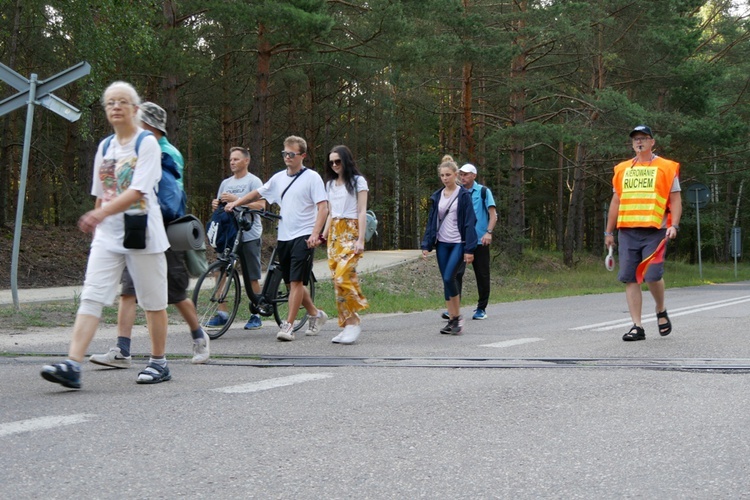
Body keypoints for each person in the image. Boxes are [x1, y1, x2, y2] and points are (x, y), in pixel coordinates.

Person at [41, 82, 171, 389]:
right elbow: (101, 194)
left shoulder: (146, 144)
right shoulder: (104, 147)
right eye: (110, 102)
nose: (115, 107)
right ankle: (73, 365)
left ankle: (159, 362)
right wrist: (98, 220)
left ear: (135, 110)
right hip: (108, 234)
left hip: (142, 231)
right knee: (92, 294)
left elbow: (138, 190)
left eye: (122, 102)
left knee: (153, 300)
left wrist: (100, 213)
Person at [88, 102, 211, 368]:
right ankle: (123, 350)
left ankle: (199, 336)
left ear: (149, 125)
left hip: (162, 232)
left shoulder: (166, 152)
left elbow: (166, 198)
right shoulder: (134, 148)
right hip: (135, 231)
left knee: (175, 294)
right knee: (128, 292)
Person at [226, 135, 329, 341]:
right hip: (284, 236)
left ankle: (288, 326)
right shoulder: (278, 178)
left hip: (304, 235)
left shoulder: (312, 178)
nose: (287, 157)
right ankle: (316, 314)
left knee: (297, 281)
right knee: (291, 284)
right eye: (285, 153)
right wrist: (237, 203)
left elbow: (323, 207)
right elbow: (257, 193)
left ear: (303, 155)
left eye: (292, 154)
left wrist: (315, 234)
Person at [605, 124, 682, 341]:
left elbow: (675, 199)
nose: (639, 142)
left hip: (656, 230)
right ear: (632, 144)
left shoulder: (666, 167)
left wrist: (673, 225)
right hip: (628, 230)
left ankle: (660, 308)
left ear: (652, 142)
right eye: (635, 139)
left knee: (652, 275)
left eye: (644, 138)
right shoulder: (621, 169)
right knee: (631, 278)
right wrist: (608, 232)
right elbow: (616, 201)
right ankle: (637, 326)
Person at [206, 147, 266, 330]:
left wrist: (237, 199)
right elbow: (221, 208)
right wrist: (216, 204)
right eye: (231, 159)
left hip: (248, 235)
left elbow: (261, 206)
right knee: (219, 271)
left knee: (251, 276)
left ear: (246, 161)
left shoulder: (253, 181)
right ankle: (222, 313)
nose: (232, 162)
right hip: (229, 235)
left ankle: (257, 313)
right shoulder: (225, 183)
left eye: (236, 159)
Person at [421, 155, 478, 336]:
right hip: (442, 244)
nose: (445, 178)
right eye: (442, 175)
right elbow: (432, 221)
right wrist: (426, 243)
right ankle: (453, 320)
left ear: (456, 175)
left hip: (458, 243)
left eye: (448, 175)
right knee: (447, 282)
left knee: (448, 278)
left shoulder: (464, 196)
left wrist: (469, 249)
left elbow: (470, 222)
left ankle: (457, 317)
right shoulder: (437, 196)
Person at [322, 145, 369, 344]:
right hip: (334, 233)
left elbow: (361, 211)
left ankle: (354, 321)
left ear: (346, 160)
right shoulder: (330, 185)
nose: (334, 165)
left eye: (338, 161)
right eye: (331, 162)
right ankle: (346, 323)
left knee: (343, 276)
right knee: (337, 281)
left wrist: (360, 239)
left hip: (351, 231)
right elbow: (330, 213)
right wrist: (323, 234)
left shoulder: (358, 181)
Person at [454, 163, 497, 320]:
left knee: (482, 275)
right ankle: (454, 308)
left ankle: (481, 309)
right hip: (461, 240)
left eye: (465, 174)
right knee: (456, 274)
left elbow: (493, 215)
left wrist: (489, 232)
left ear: (474, 175)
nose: (462, 177)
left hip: (480, 241)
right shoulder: (458, 192)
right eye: (461, 174)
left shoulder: (484, 192)